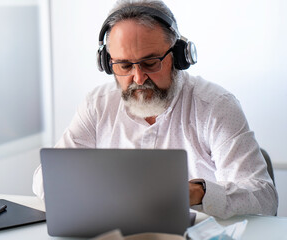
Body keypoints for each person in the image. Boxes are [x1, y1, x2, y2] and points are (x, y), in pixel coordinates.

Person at [33, 0, 278, 219]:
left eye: (150, 62)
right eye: (124, 65)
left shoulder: (216, 106)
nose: (138, 78)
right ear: (107, 64)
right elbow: (46, 179)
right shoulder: (97, 105)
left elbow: (263, 196)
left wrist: (197, 192)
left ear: (181, 56)